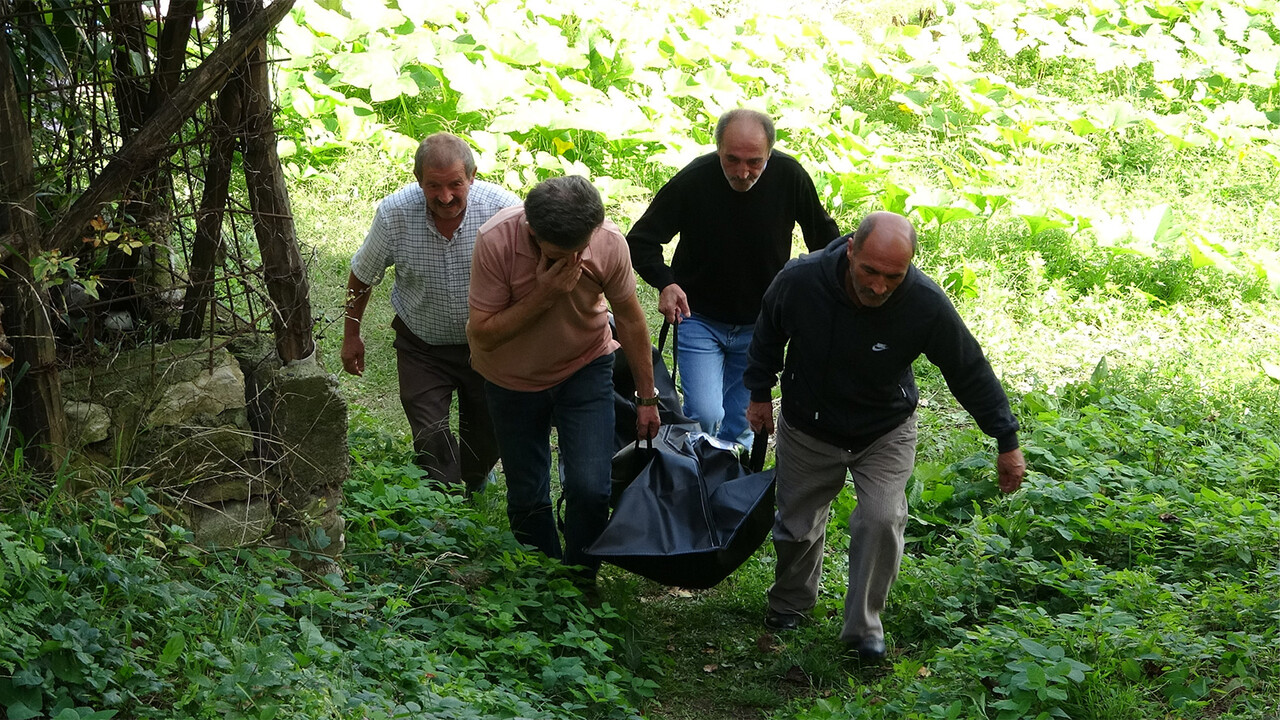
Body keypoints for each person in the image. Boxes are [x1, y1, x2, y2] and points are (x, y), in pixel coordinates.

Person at [743, 211, 1027, 661]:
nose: (878, 286)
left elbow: (967, 368)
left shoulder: (924, 303)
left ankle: (863, 628)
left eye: (892, 276)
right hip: (809, 423)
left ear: (910, 266)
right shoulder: (801, 280)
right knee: (797, 525)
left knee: (880, 518)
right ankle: (790, 604)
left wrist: (1006, 439)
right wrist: (759, 392)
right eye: (869, 272)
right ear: (851, 248)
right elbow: (767, 332)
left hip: (885, 429)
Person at [467, 175, 662, 577]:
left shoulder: (607, 242)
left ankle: (580, 581)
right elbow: (482, 336)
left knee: (591, 489)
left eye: (580, 249)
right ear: (531, 231)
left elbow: (628, 316)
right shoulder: (496, 240)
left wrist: (647, 397)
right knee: (526, 494)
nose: (574, 260)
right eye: (560, 254)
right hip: (510, 380)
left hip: (584, 368)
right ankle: (541, 583)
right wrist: (545, 294)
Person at [627, 108, 839, 446]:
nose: (743, 173)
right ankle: (696, 475)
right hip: (698, 317)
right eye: (732, 160)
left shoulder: (789, 175)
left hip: (761, 324)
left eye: (755, 162)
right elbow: (640, 241)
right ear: (718, 150)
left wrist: (818, 289)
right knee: (705, 414)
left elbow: (825, 240)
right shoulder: (695, 179)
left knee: (742, 422)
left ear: (770, 153)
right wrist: (666, 282)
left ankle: (726, 483)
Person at [342, 133, 520, 494]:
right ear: (418, 180)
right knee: (430, 437)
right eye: (433, 186)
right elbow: (362, 275)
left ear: (472, 176)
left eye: (455, 184)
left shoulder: (506, 211)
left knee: (486, 439)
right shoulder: (394, 214)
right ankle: (441, 509)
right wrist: (351, 334)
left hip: (490, 345)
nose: (445, 196)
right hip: (422, 345)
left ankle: (475, 479)